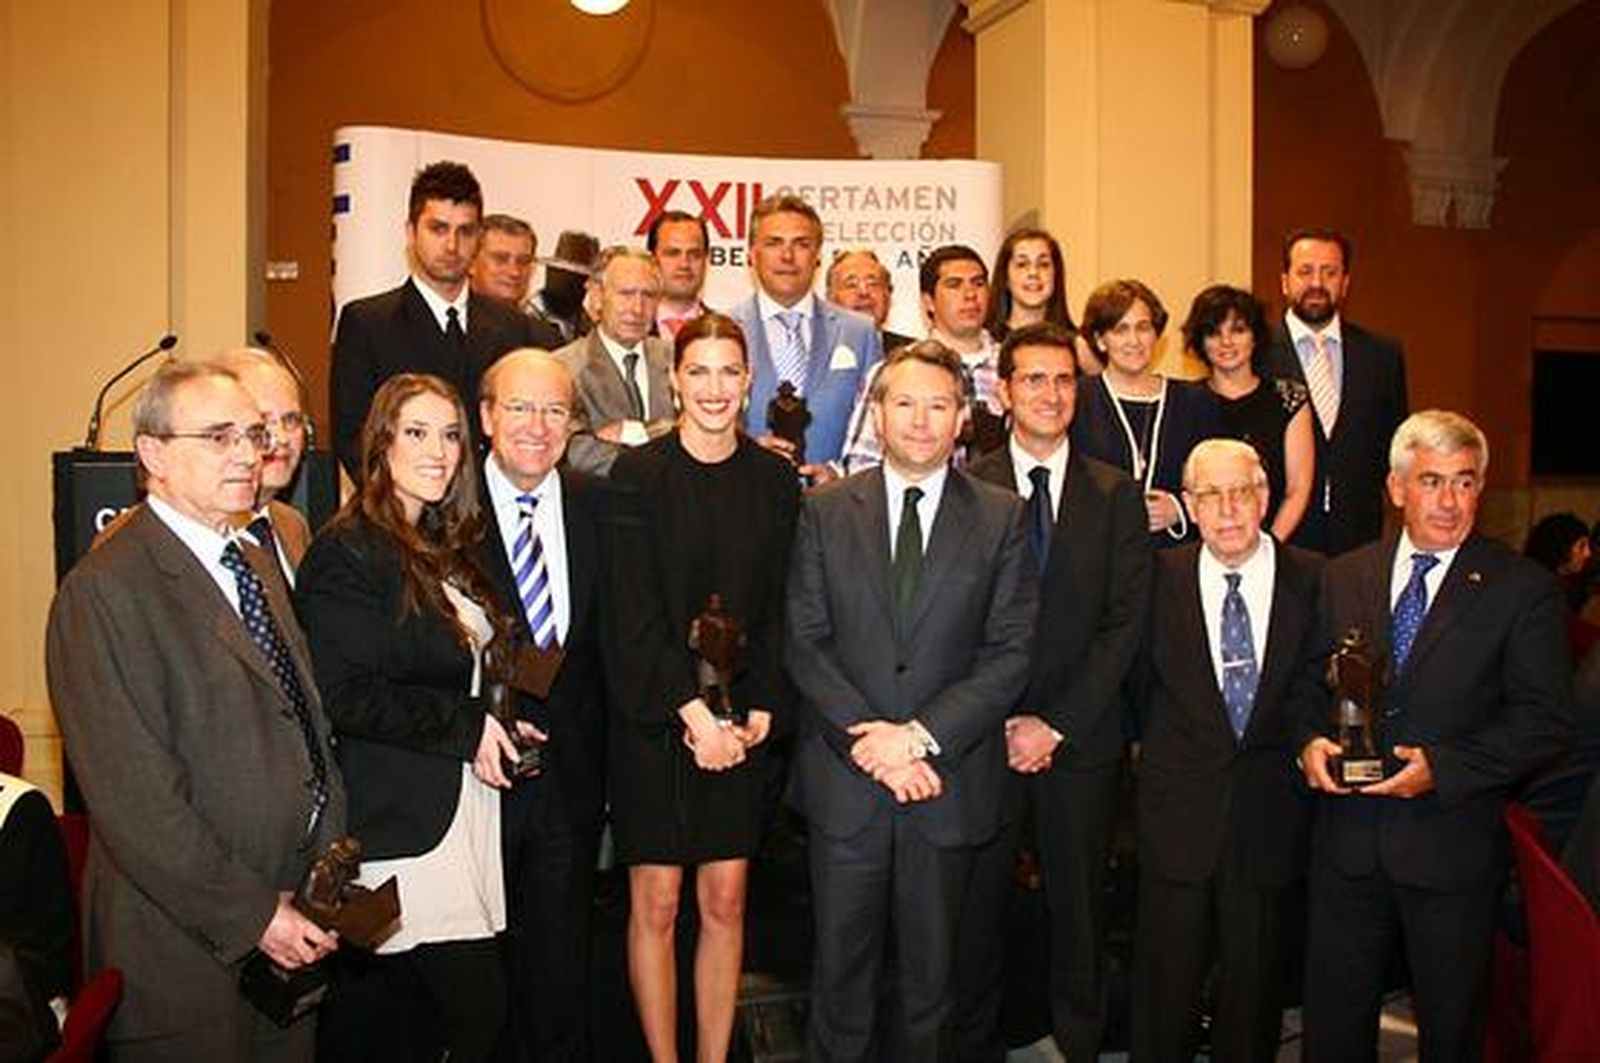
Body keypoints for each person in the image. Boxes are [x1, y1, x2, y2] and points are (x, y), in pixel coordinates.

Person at [46, 359, 344, 1060]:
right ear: (152, 454)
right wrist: (253, 913)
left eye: (254, 433)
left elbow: (306, 723)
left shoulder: (255, 561)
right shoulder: (105, 590)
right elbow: (136, 802)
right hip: (182, 955)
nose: (249, 453)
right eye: (219, 436)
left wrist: (322, 872)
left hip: (287, 928)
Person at [787, 341, 1036, 1060]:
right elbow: (805, 639)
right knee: (840, 986)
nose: (921, 420)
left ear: (964, 417)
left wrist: (919, 736)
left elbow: (1010, 652)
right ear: (878, 411)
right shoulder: (824, 511)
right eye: (905, 402)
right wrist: (874, 744)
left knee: (933, 992)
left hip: (946, 785)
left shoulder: (1001, 516)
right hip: (847, 785)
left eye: (939, 405)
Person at [1297, 410, 1572, 1062]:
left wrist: (1444, 767)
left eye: (1464, 481)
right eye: (1431, 481)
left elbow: (1545, 722)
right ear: (1396, 488)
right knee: (1333, 1032)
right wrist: (1307, 741)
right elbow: (1305, 686)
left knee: (1451, 1033)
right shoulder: (1343, 575)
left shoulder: (1523, 588)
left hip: (1450, 848)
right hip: (1347, 845)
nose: (1449, 501)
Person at [296, 373, 527, 1063]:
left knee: (436, 1024)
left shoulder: (442, 544)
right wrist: (466, 725)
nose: (439, 450)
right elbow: (346, 694)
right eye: (417, 432)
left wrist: (498, 719)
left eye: (451, 434)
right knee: (468, 1012)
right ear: (381, 442)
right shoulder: (348, 551)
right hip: (405, 825)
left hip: (462, 815)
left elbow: (451, 669)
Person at [606, 313, 799, 1062]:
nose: (714, 387)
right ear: (674, 379)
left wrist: (757, 715)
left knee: (725, 901)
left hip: (741, 723)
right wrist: (693, 715)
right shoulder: (638, 475)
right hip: (656, 718)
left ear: (748, 381)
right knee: (655, 902)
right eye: (699, 371)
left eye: (729, 371)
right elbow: (632, 613)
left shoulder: (776, 480)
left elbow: (786, 606)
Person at [957, 323, 1150, 1062]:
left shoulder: (1115, 493)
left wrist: (1055, 724)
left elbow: (1124, 625)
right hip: (983, 738)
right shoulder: (969, 486)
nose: (1050, 393)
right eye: (1033, 379)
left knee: (1081, 920)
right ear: (1004, 391)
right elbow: (954, 623)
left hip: (1083, 738)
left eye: (1064, 380)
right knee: (974, 916)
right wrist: (1003, 720)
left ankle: (1077, 1044)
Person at [1131, 439, 1324, 1063]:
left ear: (1265, 497)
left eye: (1240, 492)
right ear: (1189, 503)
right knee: (1165, 993)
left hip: (1270, 818)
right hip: (1176, 815)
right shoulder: (1155, 579)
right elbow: (1134, 687)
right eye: (1210, 496)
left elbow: (1318, 690)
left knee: (1257, 994)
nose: (1228, 510)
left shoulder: (1318, 579)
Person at [473, 350, 609, 1062]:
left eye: (555, 410)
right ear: (487, 415)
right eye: (520, 408)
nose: (537, 425)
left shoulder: (597, 503)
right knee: (481, 978)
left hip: (573, 776)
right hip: (473, 779)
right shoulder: (445, 508)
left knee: (560, 969)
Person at [331, 161, 543, 478]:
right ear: (411, 231)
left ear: (479, 237)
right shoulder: (368, 324)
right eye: (438, 228)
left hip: (495, 515)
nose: (452, 245)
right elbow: (355, 442)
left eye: (466, 231)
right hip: (405, 516)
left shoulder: (514, 327)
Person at [1262, 228, 1409, 555]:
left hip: (1359, 539)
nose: (1317, 283)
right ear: (1285, 281)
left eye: (1329, 272)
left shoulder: (1383, 356)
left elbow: (1396, 448)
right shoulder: (1256, 355)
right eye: (1305, 271)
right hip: (1281, 539)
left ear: (1345, 283)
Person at [728, 193, 883, 477]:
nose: (787, 256)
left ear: (818, 256)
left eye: (801, 244)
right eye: (774, 243)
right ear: (751, 254)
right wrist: (741, 453)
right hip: (744, 503)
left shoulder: (860, 332)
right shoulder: (722, 330)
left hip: (838, 508)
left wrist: (839, 475)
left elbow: (881, 429)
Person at [1072, 278, 1223, 546]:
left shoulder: (1197, 403)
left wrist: (1180, 509)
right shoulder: (1076, 400)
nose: (1134, 340)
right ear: (1100, 340)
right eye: (1120, 329)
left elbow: (1218, 481)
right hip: (1099, 558)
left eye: (1143, 328)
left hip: (1174, 563)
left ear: (1156, 335)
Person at [840, 245, 1006, 472]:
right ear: (928, 301)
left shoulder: (1014, 367)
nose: (970, 295)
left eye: (978, 283)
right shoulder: (895, 371)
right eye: (954, 285)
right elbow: (861, 464)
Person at [1184, 284, 1315, 544]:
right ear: (1201, 342)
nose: (1226, 342)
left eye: (1238, 330)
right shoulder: (1184, 400)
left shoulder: (1289, 398)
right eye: (1213, 332)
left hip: (1273, 545)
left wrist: (1267, 548)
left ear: (1255, 337)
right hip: (1200, 550)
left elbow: (1297, 489)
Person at [556, 246, 677, 476]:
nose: (637, 308)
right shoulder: (562, 369)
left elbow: (707, 433)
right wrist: (664, 451)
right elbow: (573, 451)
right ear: (597, 295)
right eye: (626, 294)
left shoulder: (679, 360)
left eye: (648, 295)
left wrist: (639, 432)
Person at [218, 347, 316, 581]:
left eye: (291, 420)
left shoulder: (292, 525)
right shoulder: (197, 528)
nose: (281, 437)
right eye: (263, 421)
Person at [983, 228, 1095, 376]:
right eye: (1022, 264)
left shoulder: (1078, 347)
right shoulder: (985, 341)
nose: (1033, 273)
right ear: (1005, 277)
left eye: (1043, 264)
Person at [826, 248, 913, 351]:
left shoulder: (912, 353)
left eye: (873, 284)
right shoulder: (813, 354)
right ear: (830, 299)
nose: (864, 292)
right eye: (851, 285)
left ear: (888, 296)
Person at [648, 210, 712, 338]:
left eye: (695, 254)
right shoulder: (630, 328)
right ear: (652, 260)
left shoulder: (725, 331)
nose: (684, 264)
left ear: (706, 260)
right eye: (673, 253)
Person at [531, 230, 601, 343]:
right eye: (571, 277)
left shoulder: (586, 323)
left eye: (584, 278)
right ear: (551, 272)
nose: (583, 285)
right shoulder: (527, 319)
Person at [469, 213, 540, 313]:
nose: (514, 272)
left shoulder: (541, 327)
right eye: (501, 259)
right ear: (471, 263)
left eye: (523, 261)